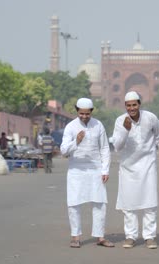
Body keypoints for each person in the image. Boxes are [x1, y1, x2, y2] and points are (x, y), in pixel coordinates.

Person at [111, 91, 159, 249]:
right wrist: (125, 130)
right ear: (125, 106)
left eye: (134, 104)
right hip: (128, 167)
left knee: (150, 203)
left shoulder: (150, 118)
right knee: (129, 204)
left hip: (148, 165)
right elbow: (117, 146)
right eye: (128, 105)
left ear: (139, 104)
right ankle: (130, 236)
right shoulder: (120, 121)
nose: (132, 108)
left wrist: (150, 150)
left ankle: (149, 236)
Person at [60, 98, 114, 249]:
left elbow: (104, 148)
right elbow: (64, 151)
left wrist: (105, 169)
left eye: (87, 113)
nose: (84, 116)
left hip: (96, 168)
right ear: (76, 111)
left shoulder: (98, 125)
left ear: (91, 111)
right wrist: (76, 141)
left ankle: (100, 236)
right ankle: (75, 237)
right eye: (81, 113)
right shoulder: (70, 127)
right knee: (74, 203)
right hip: (76, 169)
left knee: (100, 203)